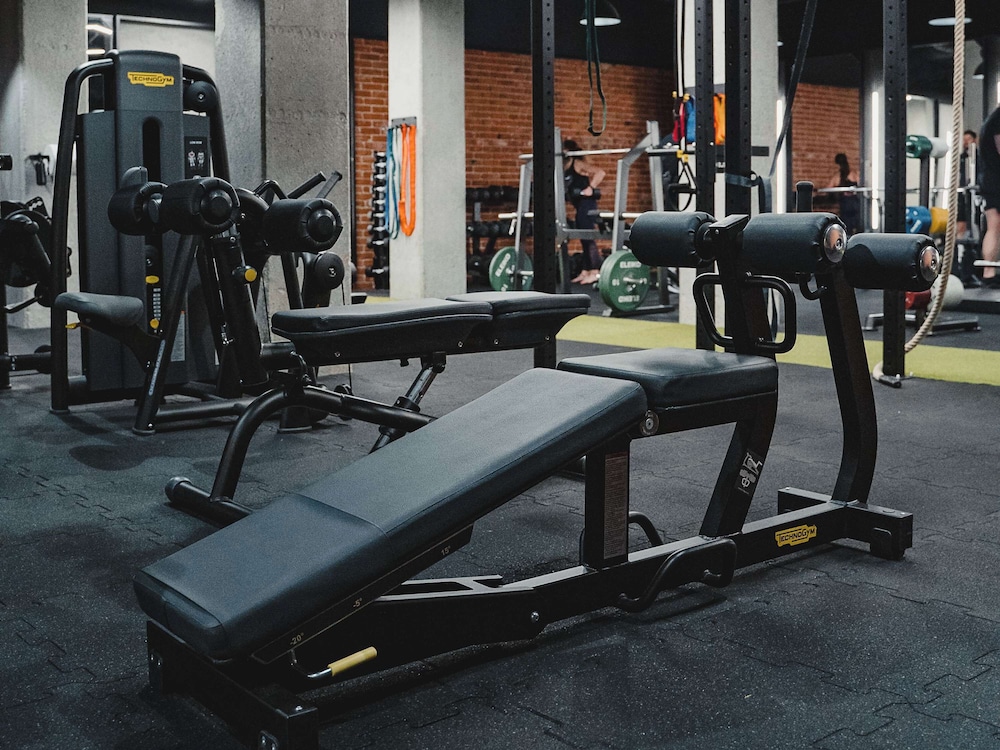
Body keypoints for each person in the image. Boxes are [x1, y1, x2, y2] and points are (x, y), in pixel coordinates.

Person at [563, 139, 606, 285]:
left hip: (587, 205)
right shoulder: (565, 166)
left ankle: (595, 271)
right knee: (583, 237)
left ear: (569, 151)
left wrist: (591, 188)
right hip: (579, 206)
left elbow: (600, 172)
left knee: (588, 238)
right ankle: (585, 271)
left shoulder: (577, 163)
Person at [979, 108, 1000, 288]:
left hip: (991, 179)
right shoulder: (998, 119)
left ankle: (989, 272)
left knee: (995, 226)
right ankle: (988, 272)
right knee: (994, 225)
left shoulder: (992, 119)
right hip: (994, 181)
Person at [828, 153, 862, 235]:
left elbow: (829, 187)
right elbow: (860, 183)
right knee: (856, 223)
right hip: (854, 202)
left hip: (846, 203)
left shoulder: (838, 177)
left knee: (847, 224)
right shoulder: (854, 174)